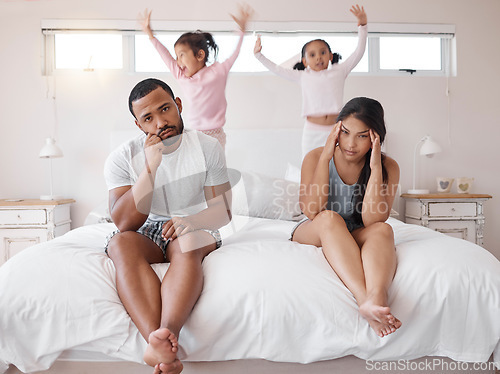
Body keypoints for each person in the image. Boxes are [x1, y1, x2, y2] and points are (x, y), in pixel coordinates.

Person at [104, 78, 232, 374]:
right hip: (145, 231)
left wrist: (191, 220)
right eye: (149, 118)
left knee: (186, 246)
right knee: (119, 243)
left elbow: (222, 211)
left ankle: (166, 332)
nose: (161, 122)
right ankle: (158, 344)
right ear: (138, 125)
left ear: (179, 104)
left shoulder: (207, 146)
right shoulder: (123, 156)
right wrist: (150, 168)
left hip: (195, 224)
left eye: (165, 109)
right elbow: (124, 222)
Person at [291, 97, 402, 338]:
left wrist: (375, 167)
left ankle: (377, 299)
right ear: (336, 130)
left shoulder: (388, 166)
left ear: (376, 138)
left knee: (384, 231)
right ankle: (365, 299)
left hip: (355, 231)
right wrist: (325, 157)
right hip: (316, 228)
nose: (351, 143)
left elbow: (373, 220)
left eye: (362, 136)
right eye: (346, 132)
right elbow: (312, 210)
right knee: (331, 219)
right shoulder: (315, 157)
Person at [254, 5, 368, 159]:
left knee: (335, 167)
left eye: (322, 52)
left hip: (336, 130)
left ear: (330, 56)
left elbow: (358, 53)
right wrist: (259, 55)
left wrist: (363, 26)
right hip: (312, 131)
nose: (318, 57)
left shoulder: (339, 71)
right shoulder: (302, 76)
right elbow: (276, 69)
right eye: (312, 55)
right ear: (305, 61)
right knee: (309, 166)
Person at [139, 4, 253, 149]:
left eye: (181, 55)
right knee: (195, 166)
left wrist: (242, 31)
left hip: (215, 132)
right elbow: (166, 57)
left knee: (214, 167)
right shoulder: (183, 77)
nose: (177, 62)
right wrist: (150, 35)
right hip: (193, 133)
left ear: (200, 55)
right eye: (176, 57)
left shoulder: (218, 71)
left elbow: (235, 54)